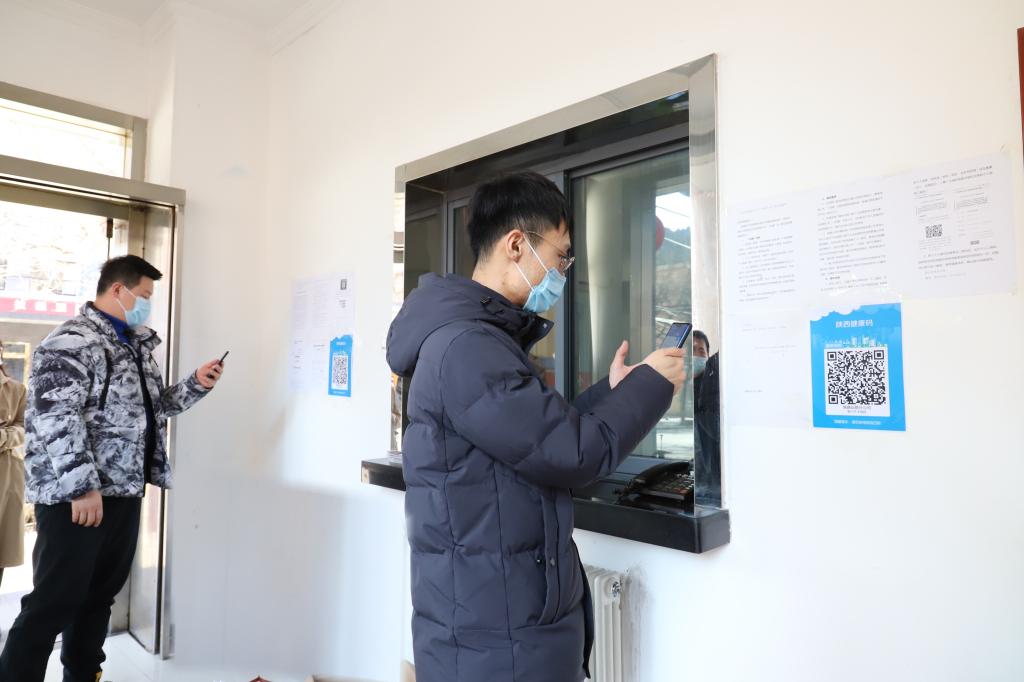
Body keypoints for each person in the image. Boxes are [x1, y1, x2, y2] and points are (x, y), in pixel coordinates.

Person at [387, 172, 685, 682]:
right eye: (561, 255)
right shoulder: (468, 348)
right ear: (517, 244)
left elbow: (537, 434)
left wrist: (615, 391)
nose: (563, 271)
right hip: (496, 639)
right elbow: (573, 453)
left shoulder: (476, 339)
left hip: (497, 622)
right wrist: (653, 385)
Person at [0, 255, 225, 682]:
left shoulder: (134, 347)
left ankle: (83, 675)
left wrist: (196, 384)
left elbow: (150, 409)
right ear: (118, 289)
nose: (147, 305)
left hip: (122, 493)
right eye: (144, 295)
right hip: (75, 499)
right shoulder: (70, 342)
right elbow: (54, 417)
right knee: (52, 603)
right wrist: (83, 487)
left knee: (98, 599)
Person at [0, 340, 28, 599]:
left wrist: (4, 436)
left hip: (6, 474)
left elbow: (24, 427)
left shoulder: (16, 390)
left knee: (1, 549)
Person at [692, 330, 721, 506]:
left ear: (708, 355)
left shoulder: (715, 383)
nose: (696, 355)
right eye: (692, 350)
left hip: (713, 487)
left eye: (701, 351)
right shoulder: (677, 387)